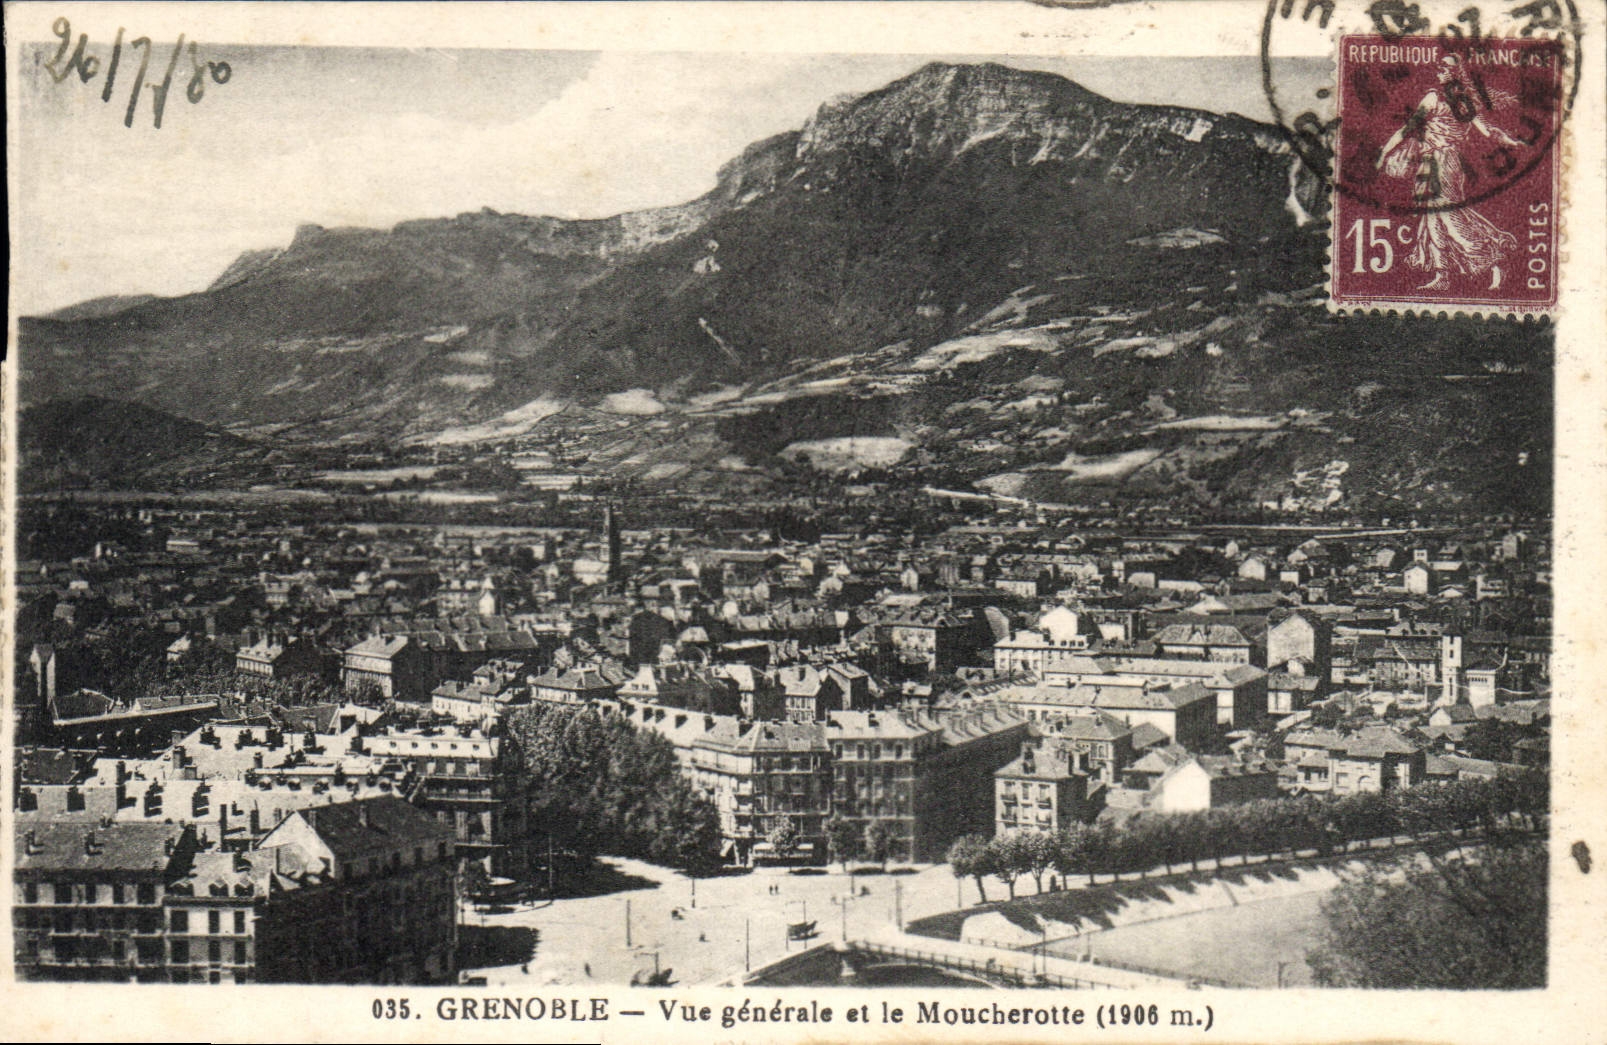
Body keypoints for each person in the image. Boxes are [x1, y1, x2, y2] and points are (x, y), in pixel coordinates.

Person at [1374, 53, 1529, 290]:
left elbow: (1488, 131)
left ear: (1456, 75)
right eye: (1439, 67)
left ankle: (1492, 260)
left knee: (1448, 215)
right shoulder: (1451, 100)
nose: (1439, 70)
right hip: (1430, 163)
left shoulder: (1441, 100)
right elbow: (1409, 129)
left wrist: (1512, 142)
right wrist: (1384, 153)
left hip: (1444, 163)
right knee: (1432, 217)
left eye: (1445, 68)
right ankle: (1442, 275)